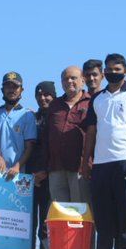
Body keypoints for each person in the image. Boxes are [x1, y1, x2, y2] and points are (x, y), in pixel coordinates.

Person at [82, 54, 126, 249]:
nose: (113, 72)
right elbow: (91, 132)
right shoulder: (97, 98)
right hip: (101, 163)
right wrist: (86, 161)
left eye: (117, 69)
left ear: (125, 71)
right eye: (109, 69)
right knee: (103, 215)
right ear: (104, 72)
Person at [35, 67, 90, 204]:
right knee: (60, 213)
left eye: (73, 78)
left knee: (80, 213)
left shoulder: (91, 102)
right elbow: (46, 137)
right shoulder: (55, 105)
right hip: (56, 168)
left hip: (80, 168)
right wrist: (43, 167)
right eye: (65, 79)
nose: (69, 81)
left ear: (83, 81)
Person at [26, 81, 56, 249]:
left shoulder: (58, 117)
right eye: (39, 95)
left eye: (47, 95)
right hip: (29, 178)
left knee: (46, 225)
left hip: (50, 177)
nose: (43, 98)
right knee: (28, 223)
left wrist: (45, 171)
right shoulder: (31, 118)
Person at [0, 72, 37, 180]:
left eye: (15, 87)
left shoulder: (27, 115)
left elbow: (29, 146)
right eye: (8, 87)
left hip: (18, 174)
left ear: (21, 90)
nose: (11, 90)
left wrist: (17, 167)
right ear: (2, 90)